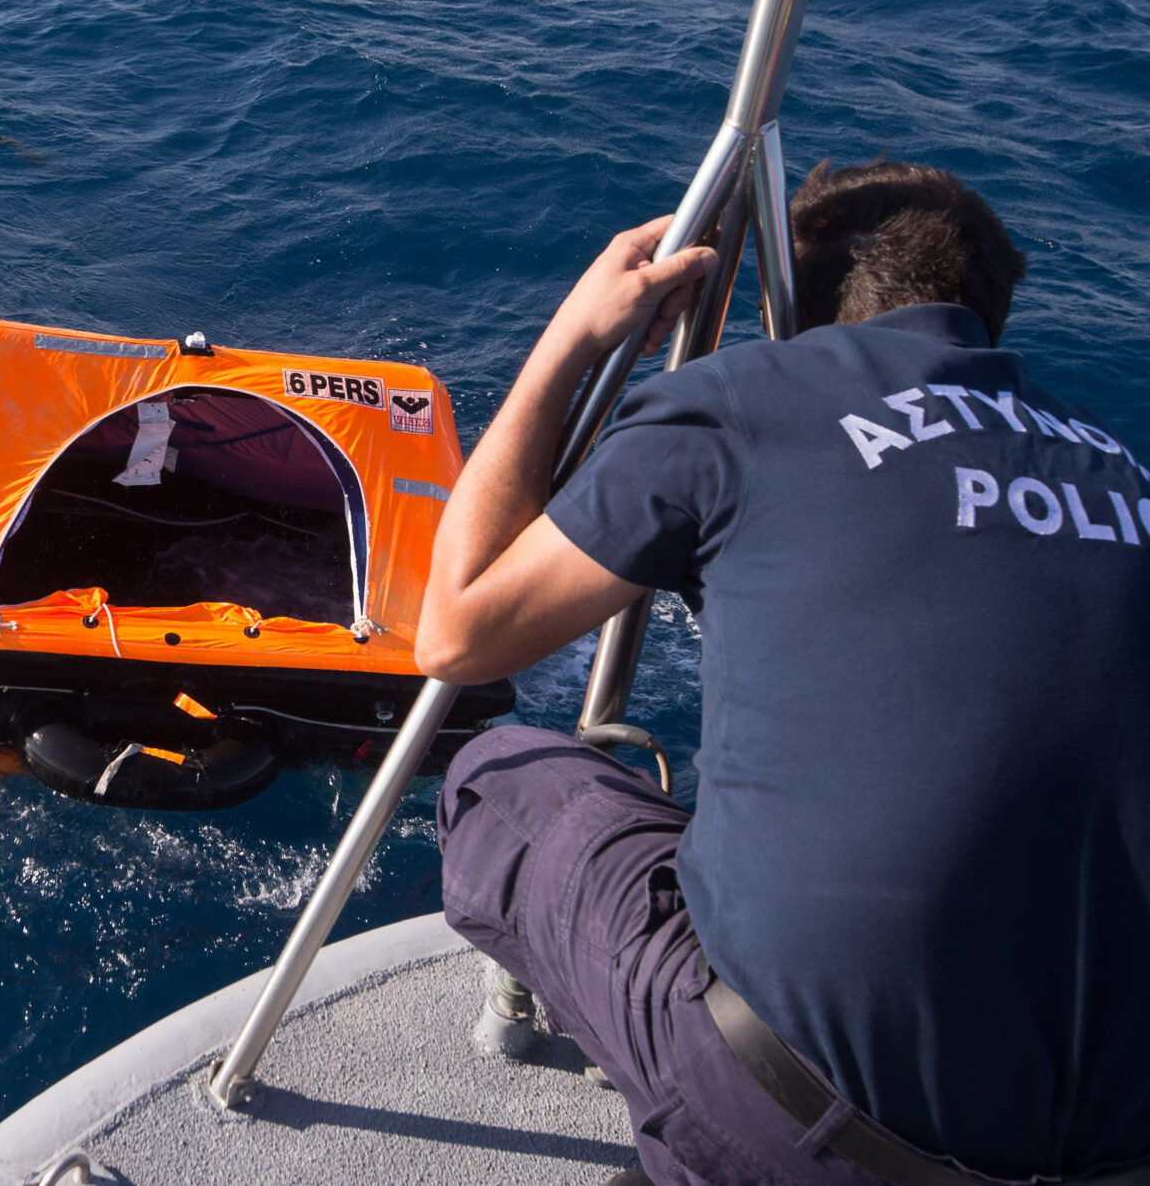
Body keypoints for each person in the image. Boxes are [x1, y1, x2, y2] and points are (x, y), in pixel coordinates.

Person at [416, 162, 1150, 1183]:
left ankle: (592, 1039)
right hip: (1112, 1146)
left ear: (788, 309)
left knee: (499, 779)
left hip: (808, 1136)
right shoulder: (1119, 468)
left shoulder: (743, 401)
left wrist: (575, 335)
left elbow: (454, 633)